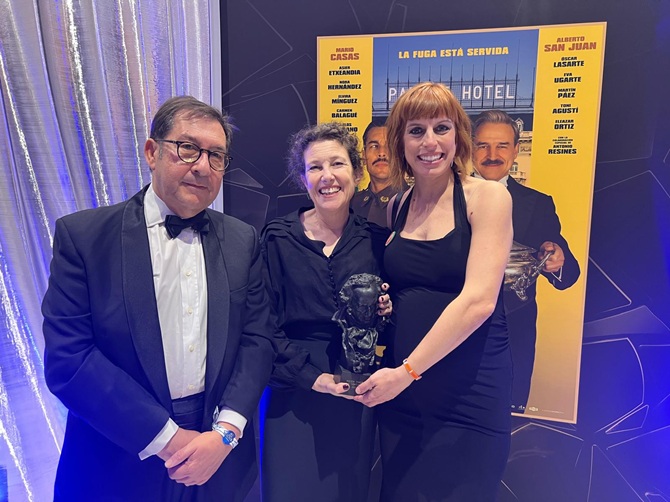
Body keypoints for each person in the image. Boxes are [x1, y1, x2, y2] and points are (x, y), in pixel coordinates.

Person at [42, 96, 276, 501]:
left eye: (216, 156)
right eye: (188, 148)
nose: (202, 166)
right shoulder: (84, 238)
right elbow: (69, 359)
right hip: (117, 454)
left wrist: (225, 433)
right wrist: (168, 439)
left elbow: (258, 340)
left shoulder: (243, 240)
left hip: (218, 459)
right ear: (152, 152)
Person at [354, 82, 514, 501]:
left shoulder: (488, 197)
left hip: (468, 392)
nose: (430, 142)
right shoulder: (397, 206)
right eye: (416, 131)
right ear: (400, 142)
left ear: (458, 136)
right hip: (403, 397)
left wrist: (405, 373)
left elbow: (478, 302)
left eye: (441, 128)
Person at [260, 122, 391, 502]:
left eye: (337, 164)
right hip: (291, 389)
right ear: (303, 178)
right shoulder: (276, 238)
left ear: (356, 172)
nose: (327, 176)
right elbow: (261, 323)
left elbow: (387, 324)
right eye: (315, 167)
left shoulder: (376, 241)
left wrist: (385, 311)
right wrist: (310, 377)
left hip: (355, 387)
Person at [471, 109, 580, 412]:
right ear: (470, 149)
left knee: (507, 420)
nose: (492, 155)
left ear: (516, 150)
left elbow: (568, 273)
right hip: (450, 335)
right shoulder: (444, 199)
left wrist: (556, 259)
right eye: (483, 146)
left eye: (502, 146)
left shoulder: (538, 203)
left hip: (511, 336)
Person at [351, 119, 407, 226]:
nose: (381, 153)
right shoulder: (351, 205)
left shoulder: (415, 203)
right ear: (364, 155)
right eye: (374, 146)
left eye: (389, 146)